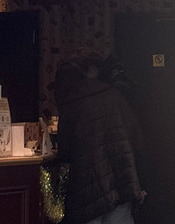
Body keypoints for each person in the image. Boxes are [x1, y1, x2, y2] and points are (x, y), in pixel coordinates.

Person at [53, 52, 145, 224]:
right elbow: (136, 138)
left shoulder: (71, 103)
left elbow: (65, 152)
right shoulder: (114, 95)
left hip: (86, 189)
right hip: (121, 181)